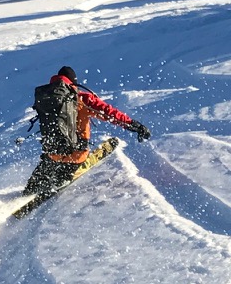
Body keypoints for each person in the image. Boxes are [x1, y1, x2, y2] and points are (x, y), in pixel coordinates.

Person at [26, 65, 151, 198]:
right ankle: (58, 183)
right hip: (75, 154)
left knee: (34, 186)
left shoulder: (47, 98)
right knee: (61, 179)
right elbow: (109, 113)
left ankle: (28, 192)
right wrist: (134, 125)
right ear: (73, 82)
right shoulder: (82, 99)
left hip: (52, 152)